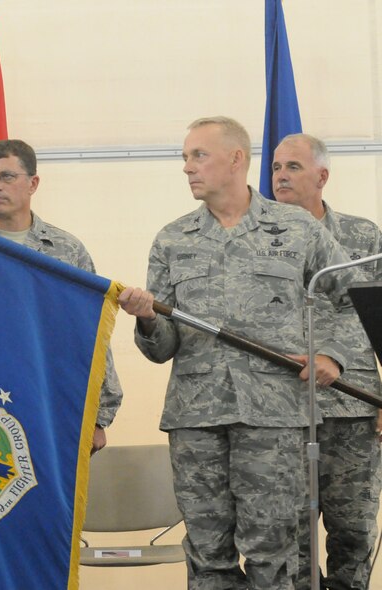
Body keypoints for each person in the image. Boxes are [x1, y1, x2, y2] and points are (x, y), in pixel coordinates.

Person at [118, 116, 358, 589]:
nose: (187, 167)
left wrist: (330, 353)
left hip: (274, 417)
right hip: (196, 418)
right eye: (185, 157)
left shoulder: (296, 229)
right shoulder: (172, 239)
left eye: (198, 155)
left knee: (274, 550)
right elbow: (162, 348)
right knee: (207, 553)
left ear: (235, 159)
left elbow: (352, 296)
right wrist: (147, 318)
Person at [272, 132, 382, 590]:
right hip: (282, 408)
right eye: (276, 167)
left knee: (353, 533)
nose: (280, 177)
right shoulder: (260, 237)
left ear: (322, 176)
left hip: (353, 406)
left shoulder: (363, 236)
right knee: (289, 537)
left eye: (293, 167)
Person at [0, 139, 123, 452]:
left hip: (53, 406)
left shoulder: (67, 250)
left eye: (7, 176)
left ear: (33, 183)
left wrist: (99, 416)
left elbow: (93, 333)